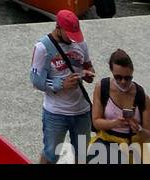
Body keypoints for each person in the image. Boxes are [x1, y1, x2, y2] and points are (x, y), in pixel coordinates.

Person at [30, 9, 95, 163]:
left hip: (81, 111)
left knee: (82, 155)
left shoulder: (80, 44)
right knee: (50, 154)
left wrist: (88, 74)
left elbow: (88, 65)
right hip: (55, 113)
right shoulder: (43, 48)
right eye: (70, 35)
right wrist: (61, 84)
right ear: (58, 28)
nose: (74, 40)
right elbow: (36, 81)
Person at [90, 49, 149, 162]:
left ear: (132, 72)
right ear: (111, 71)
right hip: (107, 140)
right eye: (118, 77)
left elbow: (148, 134)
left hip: (133, 144)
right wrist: (115, 123)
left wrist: (139, 129)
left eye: (127, 78)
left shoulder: (142, 96)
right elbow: (96, 122)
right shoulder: (102, 88)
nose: (122, 81)